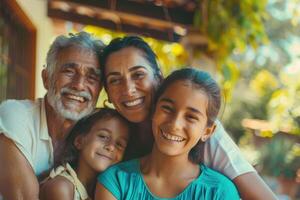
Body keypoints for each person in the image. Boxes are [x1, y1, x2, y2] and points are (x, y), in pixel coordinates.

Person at [98, 36, 277, 199]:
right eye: (115, 80)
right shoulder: (110, 144)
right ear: (107, 93)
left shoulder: (212, 145)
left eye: (138, 75)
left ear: (158, 79)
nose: (128, 90)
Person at [95, 68, 240, 199]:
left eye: (191, 117)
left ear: (207, 131)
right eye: (167, 108)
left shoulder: (219, 192)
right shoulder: (115, 181)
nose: (175, 124)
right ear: (154, 110)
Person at [0, 31, 104, 199]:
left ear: (99, 90)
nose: (79, 85)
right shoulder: (15, 115)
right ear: (46, 77)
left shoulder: (96, 137)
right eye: (69, 71)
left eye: (91, 77)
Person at [40, 108, 130, 200]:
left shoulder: (107, 191)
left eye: (119, 144)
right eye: (103, 136)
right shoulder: (61, 187)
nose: (111, 147)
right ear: (79, 141)